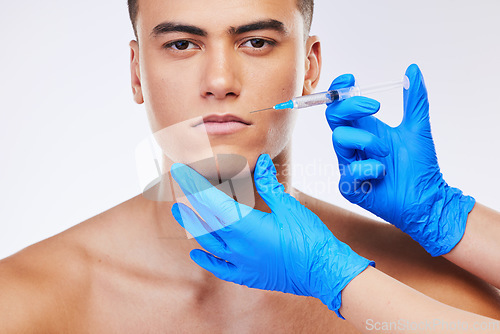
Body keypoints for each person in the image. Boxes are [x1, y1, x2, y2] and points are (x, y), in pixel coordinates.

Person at [0, 0, 499, 333]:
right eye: (181, 44)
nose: (219, 80)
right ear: (136, 73)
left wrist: (445, 215)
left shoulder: (436, 293)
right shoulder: (22, 302)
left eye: (256, 42)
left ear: (310, 67)